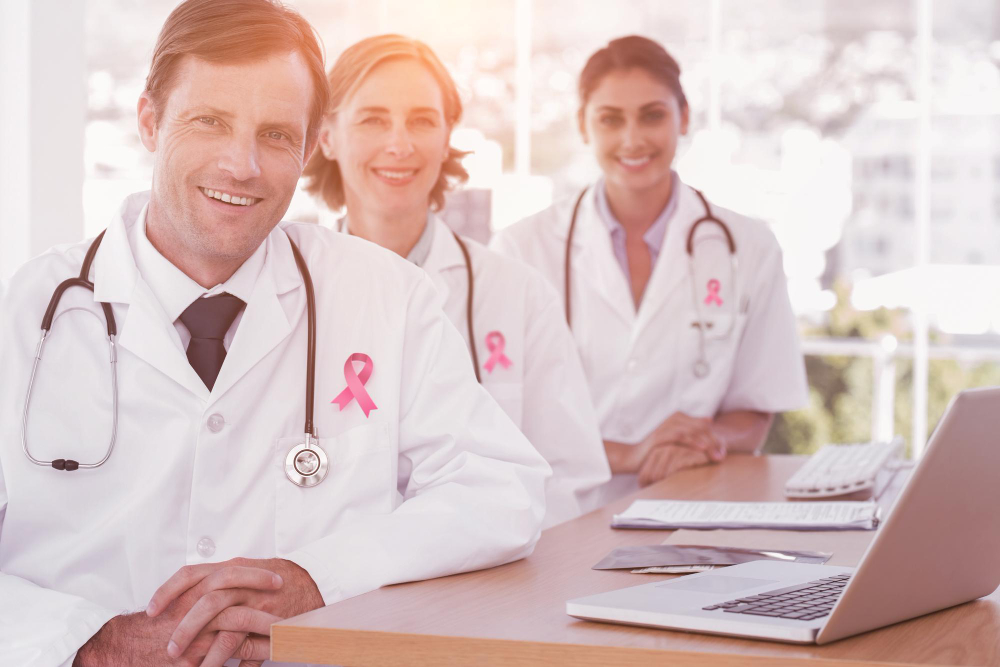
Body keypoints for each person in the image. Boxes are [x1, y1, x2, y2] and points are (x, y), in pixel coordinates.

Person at [0, 2, 549, 666]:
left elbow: (501, 488)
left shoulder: (387, 299)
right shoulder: (24, 314)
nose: (242, 164)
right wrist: (91, 639)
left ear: (313, 143)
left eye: (276, 135)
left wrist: (319, 576)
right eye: (209, 122)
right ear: (149, 120)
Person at [303, 35, 610, 528]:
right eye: (372, 119)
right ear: (326, 136)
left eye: (422, 120)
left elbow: (569, 483)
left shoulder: (518, 295)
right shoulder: (287, 292)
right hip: (328, 589)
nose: (399, 144)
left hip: (486, 591)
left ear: (447, 137)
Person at [491, 35, 808, 501]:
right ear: (583, 125)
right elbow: (501, 416)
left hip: (692, 503)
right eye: (610, 119)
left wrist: (709, 441)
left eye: (652, 115)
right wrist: (631, 453)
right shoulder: (520, 249)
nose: (632, 139)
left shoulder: (750, 247)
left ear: (684, 117)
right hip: (558, 516)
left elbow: (754, 409)